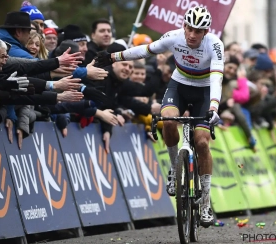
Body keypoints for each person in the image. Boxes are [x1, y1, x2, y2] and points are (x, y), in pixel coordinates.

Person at [94, 6, 224, 227]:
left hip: (203, 92)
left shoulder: (215, 45)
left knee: (202, 142)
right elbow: (144, 50)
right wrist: (112, 57)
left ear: (206, 31)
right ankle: (175, 169)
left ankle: (205, 204)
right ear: (183, 26)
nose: (192, 35)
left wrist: (213, 106)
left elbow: (216, 78)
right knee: (169, 121)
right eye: (189, 29)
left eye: (198, 31)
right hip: (178, 86)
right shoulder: (174, 37)